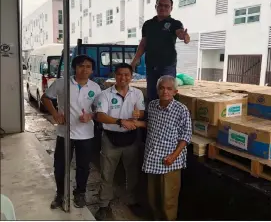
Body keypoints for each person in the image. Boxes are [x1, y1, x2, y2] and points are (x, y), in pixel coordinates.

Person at [41, 54, 101, 209]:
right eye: (81, 66)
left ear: (92, 70)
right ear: (75, 67)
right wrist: (55, 114)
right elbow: (45, 98)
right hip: (64, 133)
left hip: (86, 134)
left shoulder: (95, 88)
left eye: (88, 67)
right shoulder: (62, 83)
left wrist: (91, 115)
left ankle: (79, 193)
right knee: (60, 166)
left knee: (83, 166)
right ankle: (60, 194)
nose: (84, 69)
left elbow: (98, 110)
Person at [94, 63, 146, 220]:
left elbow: (141, 112)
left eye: (127, 75)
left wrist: (139, 114)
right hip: (111, 138)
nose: (123, 78)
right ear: (115, 76)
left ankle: (131, 200)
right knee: (107, 173)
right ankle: (103, 204)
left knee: (132, 172)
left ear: (131, 76)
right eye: (120, 74)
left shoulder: (137, 93)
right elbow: (100, 116)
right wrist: (120, 121)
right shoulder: (105, 94)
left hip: (131, 138)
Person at [143, 75, 192, 221]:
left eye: (169, 89)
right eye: (162, 88)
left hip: (170, 162)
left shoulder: (181, 110)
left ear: (175, 92)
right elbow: (149, 125)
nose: (165, 91)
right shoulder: (152, 106)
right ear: (157, 90)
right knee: (153, 197)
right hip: (152, 159)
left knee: (168, 201)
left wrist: (173, 156)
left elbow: (186, 136)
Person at [130, 0, 190, 102]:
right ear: (156, 6)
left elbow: (181, 34)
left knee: (167, 93)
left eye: (166, 6)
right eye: (160, 5)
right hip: (151, 65)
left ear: (171, 8)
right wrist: (135, 60)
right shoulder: (148, 24)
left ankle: (168, 117)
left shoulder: (174, 23)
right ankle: (153, 117)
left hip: (167, 65)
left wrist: (185, 37)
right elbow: (143, 44)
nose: (163, 8)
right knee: (152, 94)